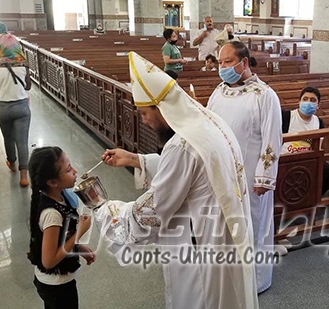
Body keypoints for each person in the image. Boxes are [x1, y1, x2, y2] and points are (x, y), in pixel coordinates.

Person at [89, 52, 259, 309]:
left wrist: (107, 210)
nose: (144, 121)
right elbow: (196, 174)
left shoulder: (182, 145)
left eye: (145, 114)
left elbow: (155, 210)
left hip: (200, 247)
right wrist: (136, 160)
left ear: (162, 108)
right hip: (228, 235)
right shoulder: (209, 122)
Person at [207, 41, 282, 293]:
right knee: (225, 225)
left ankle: (255, 280)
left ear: (245, 63)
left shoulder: (264, 95)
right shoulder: (219, 91)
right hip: (221, 173)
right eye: (220, 62)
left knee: (253, 226)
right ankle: (228, 276)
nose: (223, 67)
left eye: (228, 62)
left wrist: (264, 177)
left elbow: (272, 140)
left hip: (251, 176)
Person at [27, 146, 96, 309]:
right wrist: (79, 233)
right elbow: (49, 261)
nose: (75, 171)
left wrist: (80, 249)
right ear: (52, 182)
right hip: (56, 286)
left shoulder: (59, 196)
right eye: (68, 169)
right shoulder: (52, 214)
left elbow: (60, 239)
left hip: (59, 282)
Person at [0, 22, 32, 186]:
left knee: (8, 138)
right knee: (22, 142)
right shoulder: (23, 64)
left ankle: (13, 164)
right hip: (22, 106)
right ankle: (24, 177)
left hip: (4, 107)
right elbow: (28, 86)